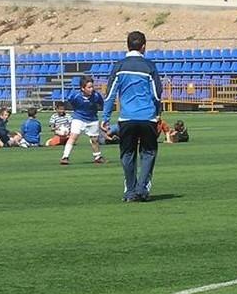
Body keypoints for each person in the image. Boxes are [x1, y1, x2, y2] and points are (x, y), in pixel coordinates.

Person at [101, 31, 163, 201]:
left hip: (127, 118)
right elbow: (157, 94)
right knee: (148, 153)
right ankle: (142, 189)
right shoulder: (149, 66)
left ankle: (130, 192)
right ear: (143, 46)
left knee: (128, 155)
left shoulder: (119, 66)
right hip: (147, 117)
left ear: (127, 45)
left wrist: (105, 118)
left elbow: (110, 94)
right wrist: (158, 113)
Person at [60, 75, 106, 165]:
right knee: (73, 136)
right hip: (79, 118)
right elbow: (70, 103)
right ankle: (65, 157)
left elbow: (102, 104)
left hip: (92, 119)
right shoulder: (75, 96)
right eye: (89, 87)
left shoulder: (96, 96)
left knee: (94, 139)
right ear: (82, 88)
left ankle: (97, 157)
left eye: (92, 86)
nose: (91, 89)